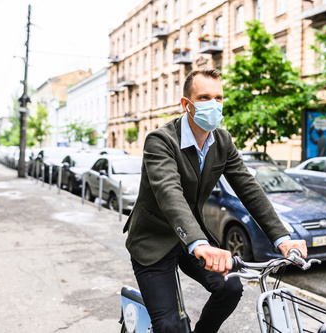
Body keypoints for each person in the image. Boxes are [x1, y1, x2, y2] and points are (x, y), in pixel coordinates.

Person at [123, 68, 307, 333]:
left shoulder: (222, 140)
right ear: (186, 105)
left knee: (231, 288)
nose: (214, 104)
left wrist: (282, 238)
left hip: (192, 237)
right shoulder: (160, 141)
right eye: (205, 97)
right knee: (168, 325)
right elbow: (169, 193)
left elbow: (249, 188)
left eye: (219, 98)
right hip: (152, 240)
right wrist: (199, 244)